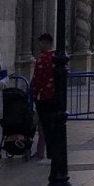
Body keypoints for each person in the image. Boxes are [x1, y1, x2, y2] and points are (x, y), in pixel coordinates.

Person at [30, 33, 55, 163]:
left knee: (43, 125)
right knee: (52, 125)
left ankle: (42, 152)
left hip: (44, 97)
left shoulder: (43, 59)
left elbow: (37, 80)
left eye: (40, 43)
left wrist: (34, 94)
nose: (39, 46)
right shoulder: (58, 57)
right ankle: (51, 152)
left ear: (45, 43)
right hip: (55, 97)